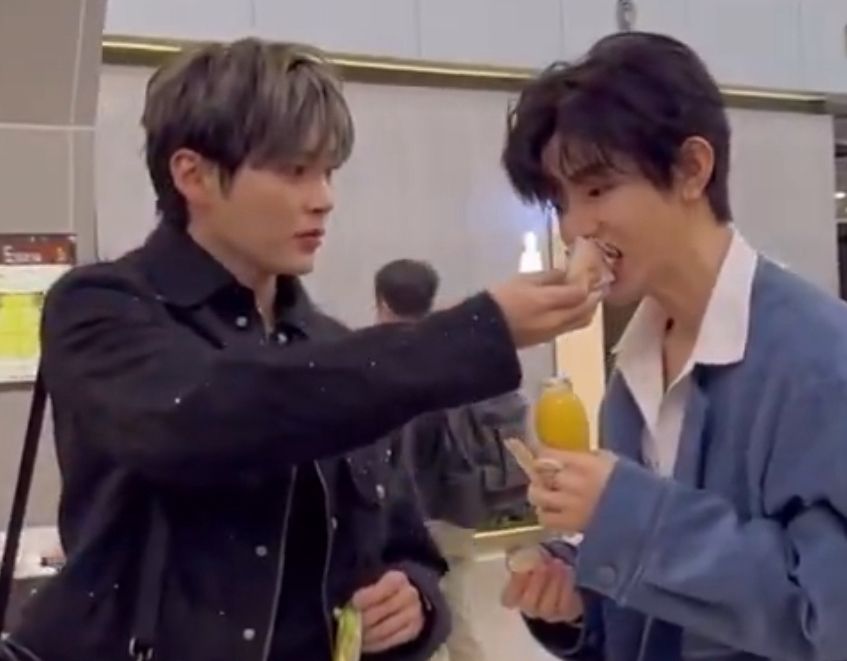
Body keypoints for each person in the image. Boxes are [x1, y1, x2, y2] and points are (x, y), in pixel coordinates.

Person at [1, 38, 601, 661]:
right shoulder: (102, 308)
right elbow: (207, 413)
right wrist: (475, 332)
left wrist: (414, 602)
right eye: (293, 171)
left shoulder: (333, 349)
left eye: (328, 172)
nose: (323, 197)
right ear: (192, 174)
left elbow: (404, 543)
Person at [499, 31, 847, 661]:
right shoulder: (632, 374)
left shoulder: (819, 361)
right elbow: (663, 609)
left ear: (692, 169)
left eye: (597, 190)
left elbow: (828, 618)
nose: (576, 228)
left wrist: (628, 515)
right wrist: (579, 600)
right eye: (561, 202)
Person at [374, 259, 529, 661]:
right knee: (450, 609)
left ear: (382, 303)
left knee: (450, 622)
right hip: (460, 506)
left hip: (422, 515)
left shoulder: (388, 364)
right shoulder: (452, 353)